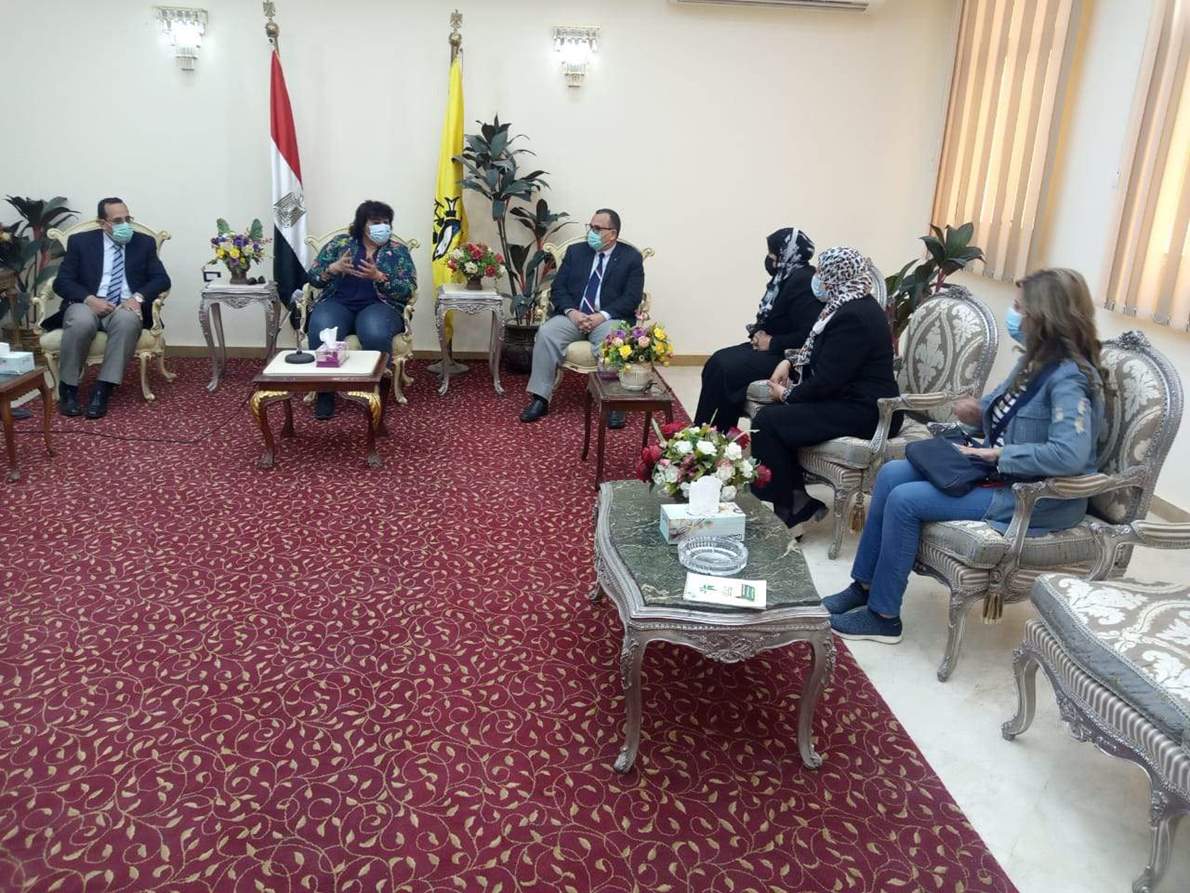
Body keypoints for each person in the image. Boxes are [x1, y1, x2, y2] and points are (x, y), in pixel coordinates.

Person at [826, 268, 1106, 644]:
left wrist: (999, 453)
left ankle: (883, 616)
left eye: (1019, 308)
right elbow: (1004, 415)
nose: (1013, 315)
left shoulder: (1070, 378)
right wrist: (977, 415)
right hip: (997, 473)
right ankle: (863, 586)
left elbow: (1069, 455)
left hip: (1035, 497)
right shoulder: (1034, 362)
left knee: (906, 500)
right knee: (891, 474)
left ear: (1044, 316)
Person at [751, 246, 899, 530]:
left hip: (868, 411)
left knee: (768, 421)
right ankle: (795, 502)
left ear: (837, 275)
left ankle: (793, 510)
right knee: (777, 418)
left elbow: (828, 379)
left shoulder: (854, 315)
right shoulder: (846, 305)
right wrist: (789, 362)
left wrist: (788, 395)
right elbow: (825, 356)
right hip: (849, 400)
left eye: (821, 271)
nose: (816, 277)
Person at [519, 208, 645, 426]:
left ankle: (614, 401)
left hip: (607, 318)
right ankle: (540, 398)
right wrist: (572, 312)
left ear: (612, 234)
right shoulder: (576, 252)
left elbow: (631, 297)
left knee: (613, 340)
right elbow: (559, 288)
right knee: (547, 333)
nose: (591, 233)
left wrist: (601, 316)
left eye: (597, 228)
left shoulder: (631, 258)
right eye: (590, 227)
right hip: (573, 316)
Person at [50, 197, 171, 419]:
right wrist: (89, 299)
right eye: (117, 220)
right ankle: (68, 389)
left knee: (127, 321)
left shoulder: (143, 243)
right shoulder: (81, 242)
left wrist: (138, 298)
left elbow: (161, 279)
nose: (125, 225)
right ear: (102, 223)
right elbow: (62, 282)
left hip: (124, 306)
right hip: (87, 304)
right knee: (80, 322)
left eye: (128, 219)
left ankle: (103, 389)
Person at [694, 227, 818, 432]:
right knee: (718, 361)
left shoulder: (803, 282)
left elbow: (808, 335)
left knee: (724, 366)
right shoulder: (784, 277)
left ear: (786, 253)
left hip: (789, 356)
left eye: (772, 253)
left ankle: (712, 435)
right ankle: (710, 432)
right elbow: (769, 317)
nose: (769, 258)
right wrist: (757, 333)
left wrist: (771, 342)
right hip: (771, 348)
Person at [306, 200, 416, 419]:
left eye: (386, 222)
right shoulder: (339, 244)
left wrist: (380, 277)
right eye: (376, 222)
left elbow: (407, 289)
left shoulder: (398, 251)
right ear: (362, 224)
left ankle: (374, 391)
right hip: (339, 302)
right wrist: (332, 269)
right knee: (322, 326)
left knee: (374, 331)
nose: (382, 226)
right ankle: (325, 392)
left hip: (380, 305)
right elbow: (314, 278)